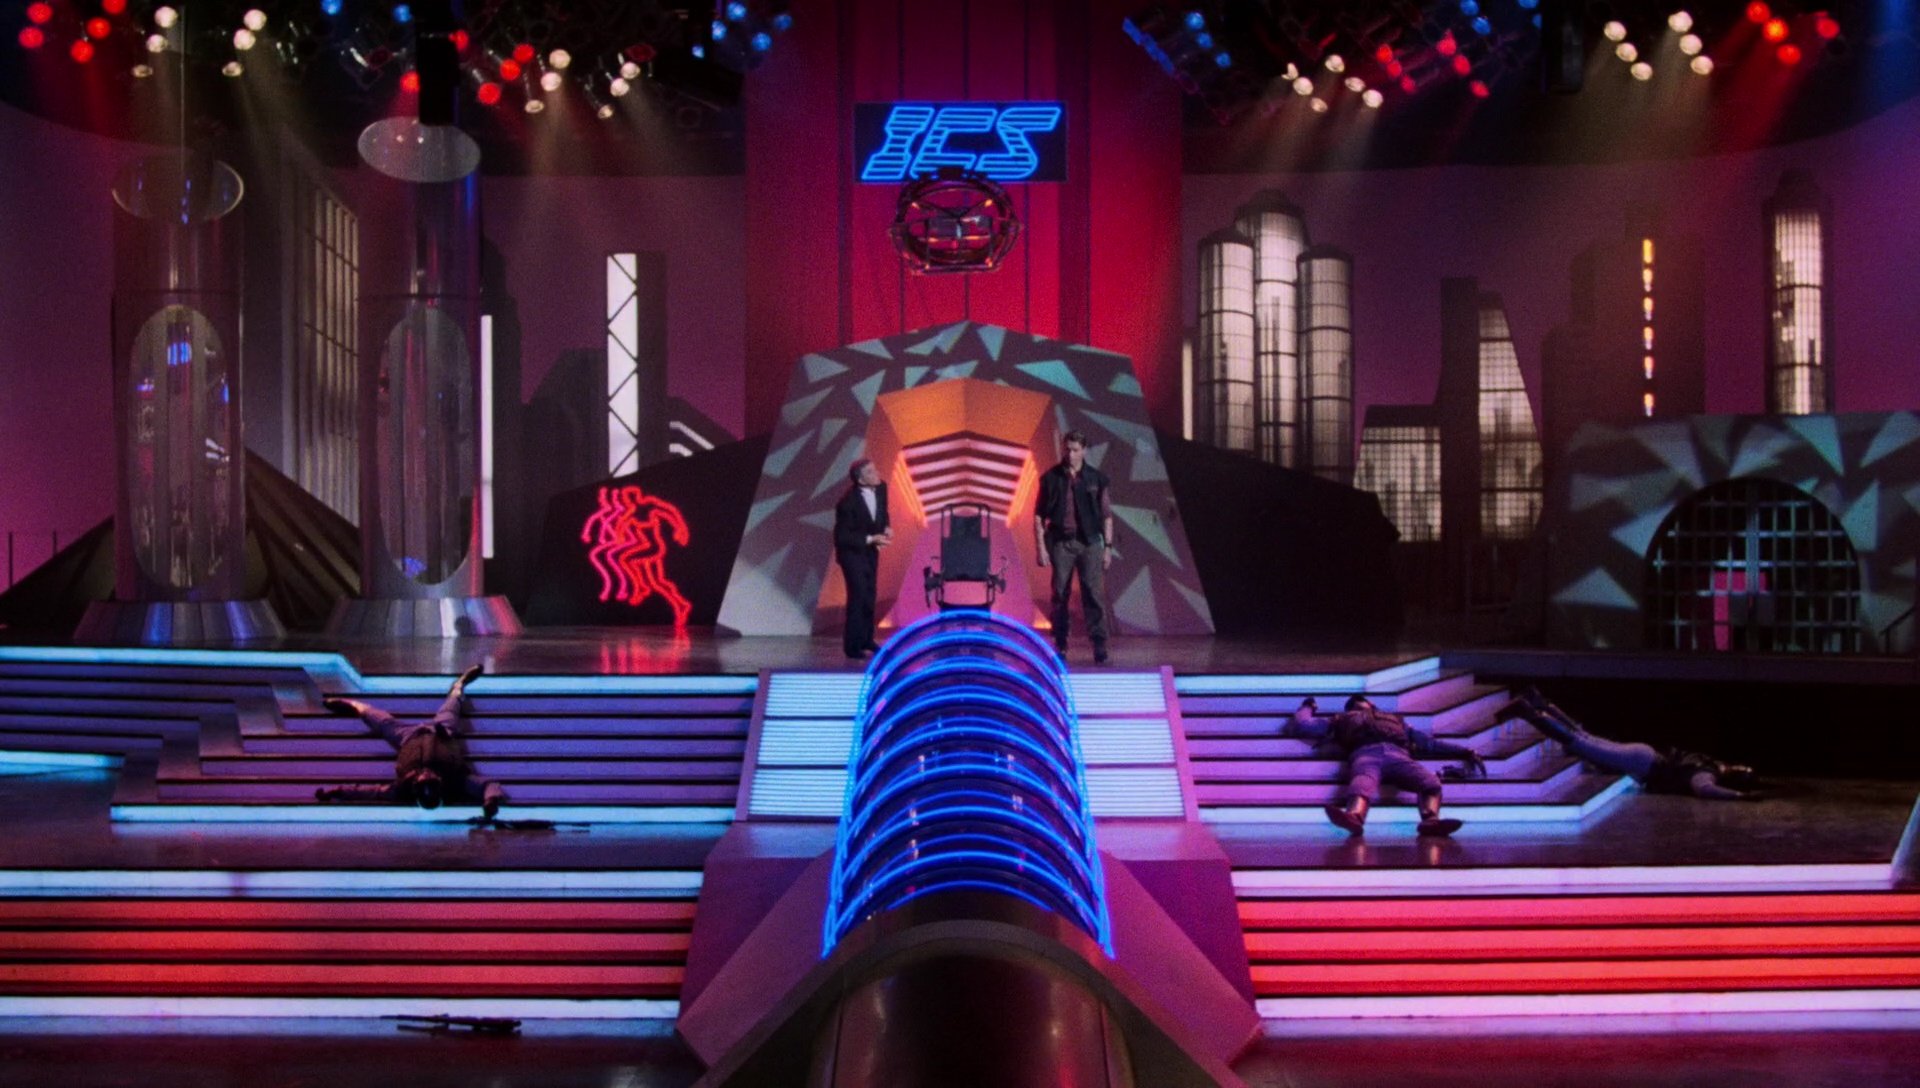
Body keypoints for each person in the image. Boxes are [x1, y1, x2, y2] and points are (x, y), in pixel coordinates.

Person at [314, 664, 507, 819]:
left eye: (424, 779)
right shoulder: (456, 782)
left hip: (408, 737)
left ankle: (355, 706)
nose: (427, 774)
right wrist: (491, 801)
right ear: (440, 784)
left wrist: (337, 791)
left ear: (416, 786)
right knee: (451, 706)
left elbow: (370, 792)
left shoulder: (402, 788)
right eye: (432, 778)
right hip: (442, 731)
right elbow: (488, 785)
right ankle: (459, 685)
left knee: (380, 720)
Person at [1503, 687, 1763, 800]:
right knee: (1581, 743)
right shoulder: (1707, 772)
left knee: (1584, 737)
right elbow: (1705, 790)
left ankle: (1541, 703)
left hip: (1646, 754)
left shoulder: (1707, 760)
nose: (1740, 768)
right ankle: (1529, 712)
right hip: (1643, 764)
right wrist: (1739, 796)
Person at [1283, 694, 1487, 837]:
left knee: (1430, 782)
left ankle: (1430, 820)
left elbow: (1428, 743)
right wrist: (1308, 706)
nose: (1357, 704)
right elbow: (1304, 725)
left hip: (1399, 755)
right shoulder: (1340, 720)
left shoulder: (1396, 721)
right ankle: (1354, 816)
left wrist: (1463, 750)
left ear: (1370, 703)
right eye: (1353, 704)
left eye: (1359, 701)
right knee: (1363, 780)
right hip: (1366, 752)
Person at [1034, 431, 1115, 664]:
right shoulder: (1050, 478)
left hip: (1090, 543)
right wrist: (1041, 546)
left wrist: (1108, 547)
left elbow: (1107, 515)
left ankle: (1099, 644)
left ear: (1084, 451)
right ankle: (1061, 644)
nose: (1070, 454)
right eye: (1067, 449)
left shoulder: (1096, 479)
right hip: (1062, 542)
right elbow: (1038, 515)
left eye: (1075, 450)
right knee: (1060, 593)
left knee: (1093, 593)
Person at [833, 458, 891, 660]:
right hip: (851, 553)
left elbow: (883, 511)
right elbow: (842, 537)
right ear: (860, 480)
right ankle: (852, 646)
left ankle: (867, 639)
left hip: (870, 552)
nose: (877, 474)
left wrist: (886, 527)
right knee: (858, 596)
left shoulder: (881, 488)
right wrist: (870, 539)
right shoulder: (847, 503)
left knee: (869, 595)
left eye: (875, 469)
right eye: (871, 472)